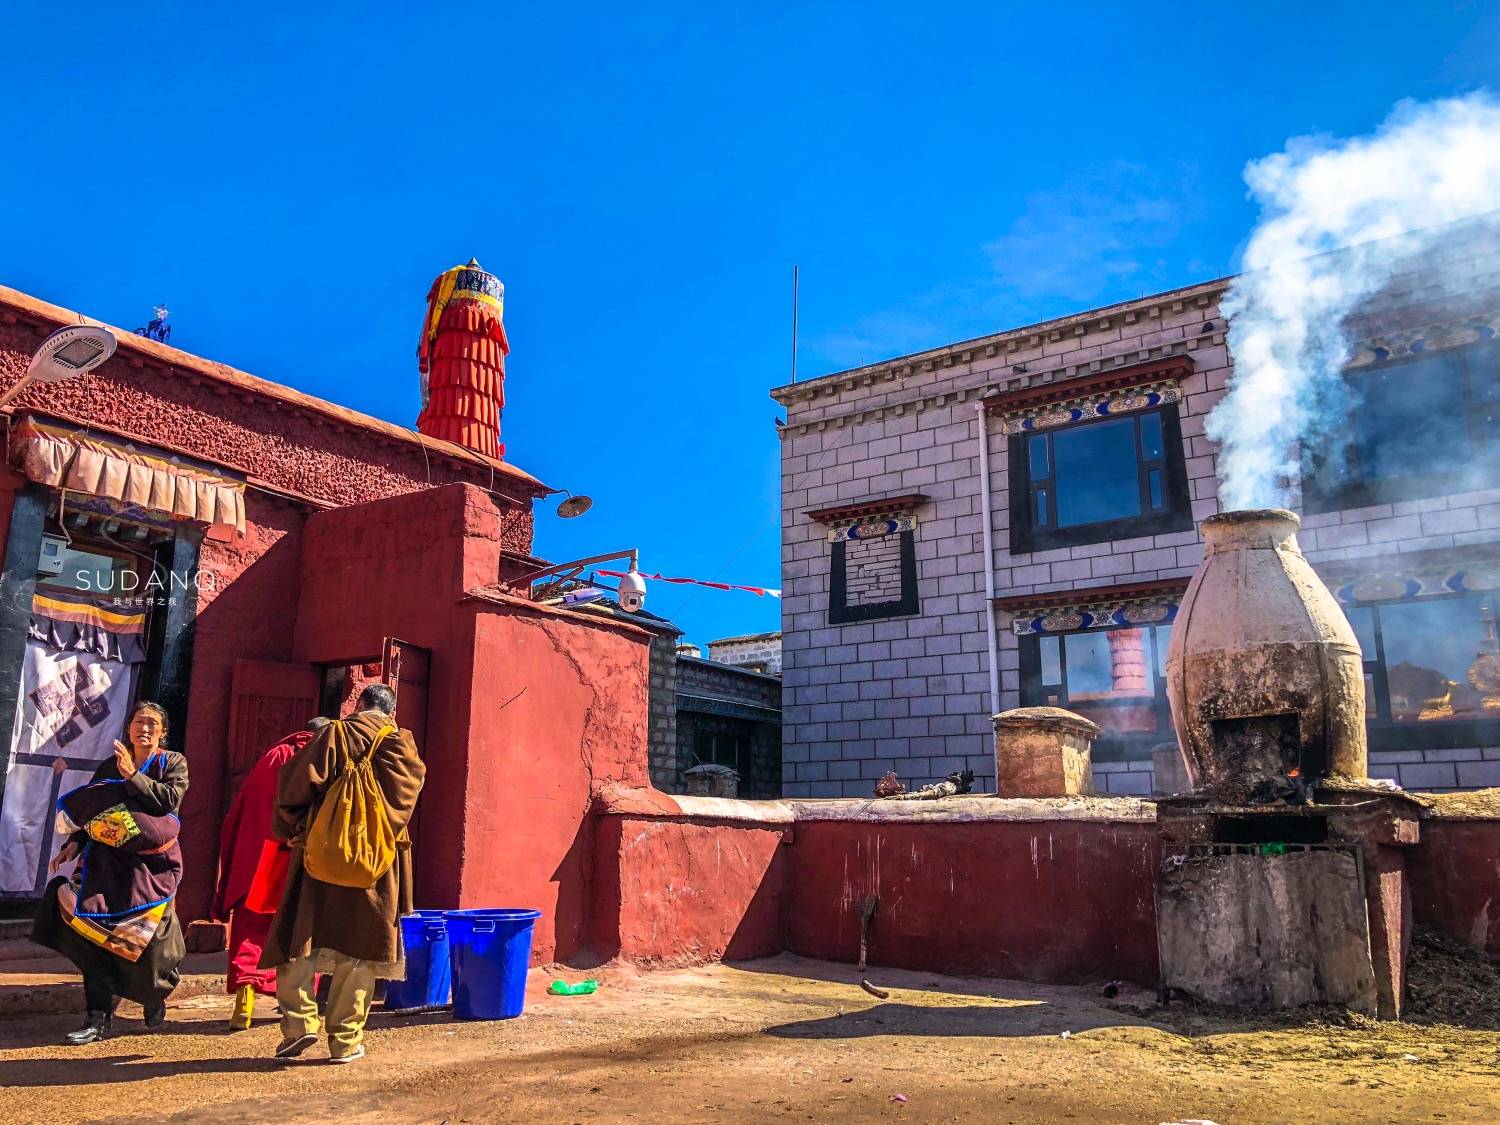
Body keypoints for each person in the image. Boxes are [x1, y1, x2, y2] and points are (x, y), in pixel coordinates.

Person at [261, 684, 424, 1064]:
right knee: (360, 950)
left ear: (359, 706)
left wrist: (294, 830)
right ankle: (345, 1041)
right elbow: (403, 805)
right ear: (391, 713)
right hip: (377, 864)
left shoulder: (337, 733)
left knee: (300, 937)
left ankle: (299, 1026)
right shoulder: (404, 749)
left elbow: (293, 788)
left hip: (319, 854)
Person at [31, 700, 189, 1044]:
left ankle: (154, 996)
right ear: (128, 728)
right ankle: (98, 1018)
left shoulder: (172, 763)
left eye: (151, 723)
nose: (143, 728)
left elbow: (166, 801)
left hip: (151, 869)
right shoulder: (107, 766)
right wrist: (74, 844)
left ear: (162, 732)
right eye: (138, 721)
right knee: (94, 939)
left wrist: (133, 776)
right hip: (106, 867)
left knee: (150, 946)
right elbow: (91, 809)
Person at [212, 716, 332, 1031]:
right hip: (304, 856)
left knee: (251, 927)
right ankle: (295, 1003)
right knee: (303, 929)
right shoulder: (326, 758)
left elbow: (242, 808)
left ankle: (245, 999)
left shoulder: (275, 756)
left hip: (261, 855)